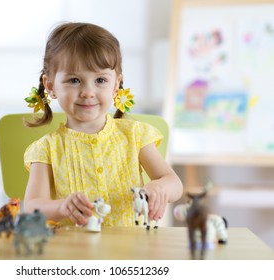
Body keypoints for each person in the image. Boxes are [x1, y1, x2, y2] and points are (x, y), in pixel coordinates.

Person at [23, 22, 183, 227]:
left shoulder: (135, 135)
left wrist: (161, 188)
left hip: (131, 252)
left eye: (100, 80)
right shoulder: (46, 148)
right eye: (74, 80)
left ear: (116, 85)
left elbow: (174, 183)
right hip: (73, 253)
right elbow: (32, 206)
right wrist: (61, 207)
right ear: (51, 86)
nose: (88, 92)